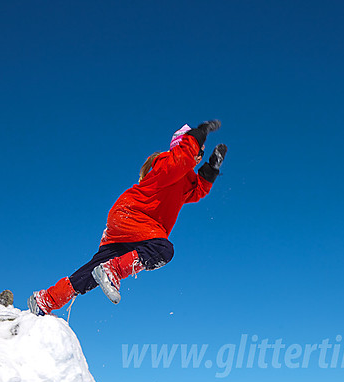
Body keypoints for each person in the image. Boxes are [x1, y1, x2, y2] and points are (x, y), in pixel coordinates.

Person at [28, 120, 227, 314]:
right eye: (198, 150)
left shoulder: (182, 178)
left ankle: (46, 300)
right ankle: (112, 270)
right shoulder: (167, 163)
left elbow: (197, 191)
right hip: (132, 216)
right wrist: (199, 133)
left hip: (128, 225)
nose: (198, 156)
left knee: (92, 271)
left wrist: (212, 169)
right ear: (183, 145)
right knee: (162, 249)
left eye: (200, 154)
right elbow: (181, 159)